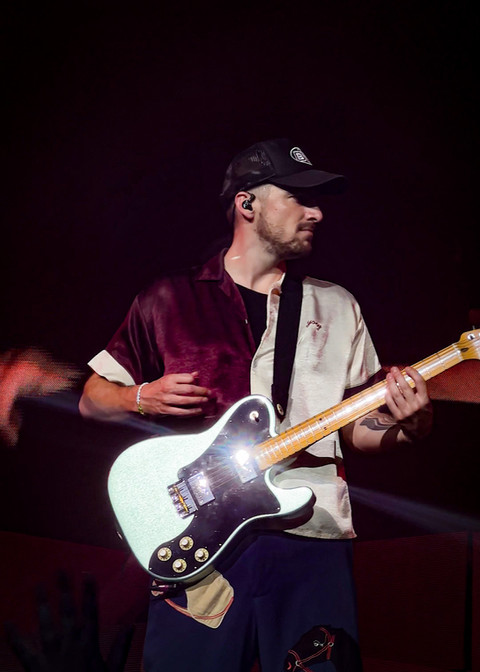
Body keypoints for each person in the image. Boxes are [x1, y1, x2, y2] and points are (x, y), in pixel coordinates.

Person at [78, 138, 433, 671]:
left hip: (312, 535)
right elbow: (91, 399)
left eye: (317, 200)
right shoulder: (168, 299)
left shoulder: (337, 305)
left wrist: (410, 426)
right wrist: (139, 396)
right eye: (298, 198)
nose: (317, 212)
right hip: (198, 544)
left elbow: (355, 430)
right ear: (247, 204)